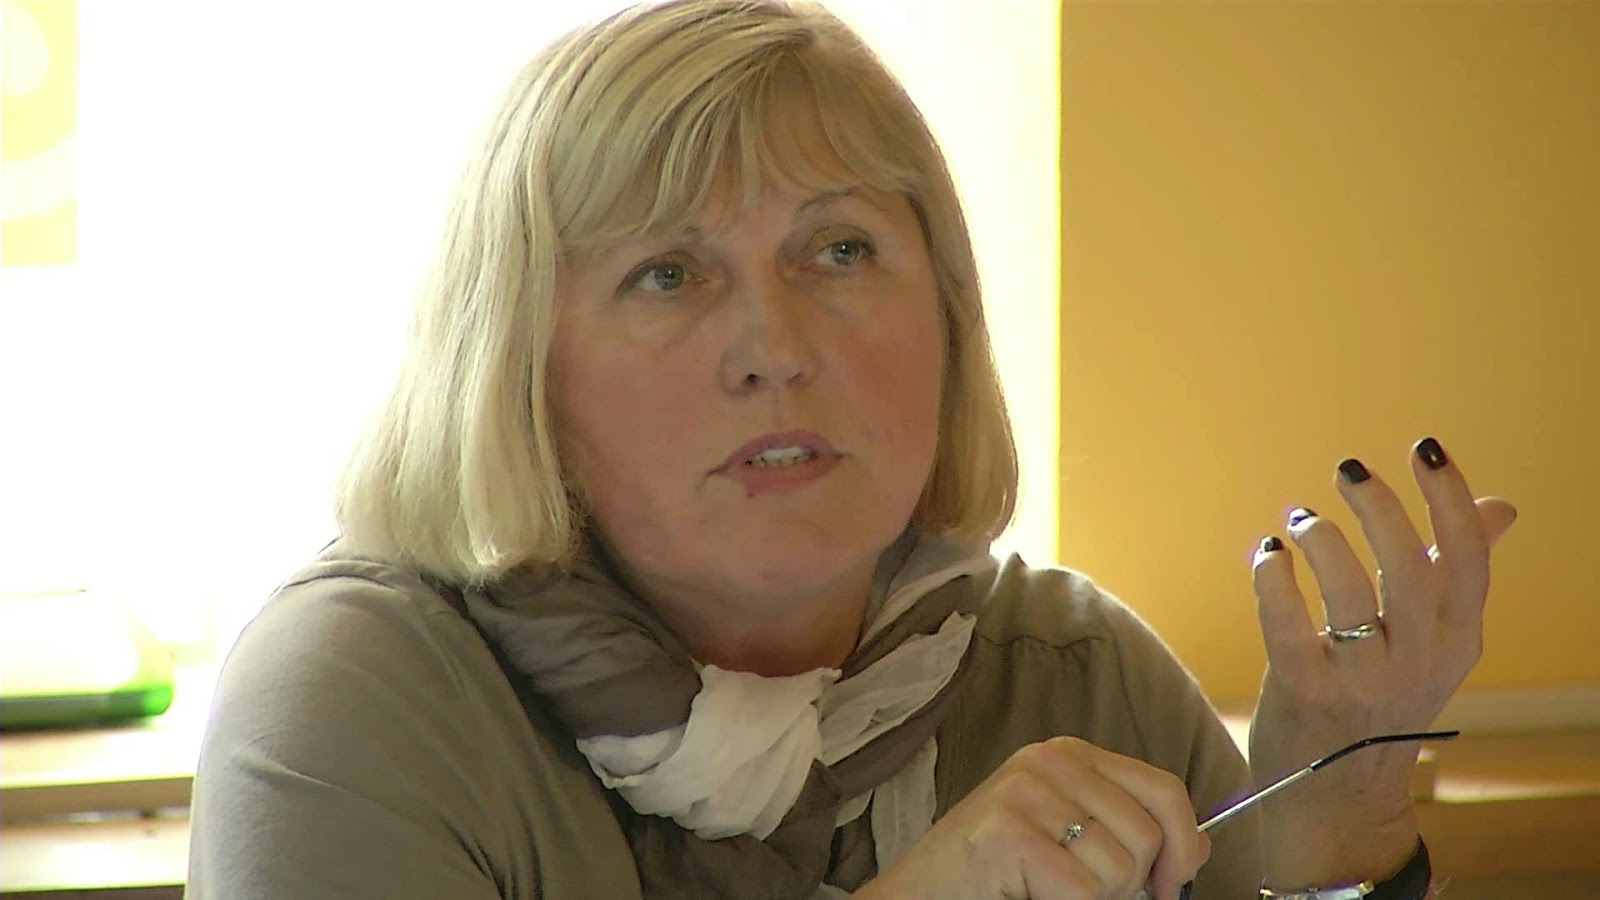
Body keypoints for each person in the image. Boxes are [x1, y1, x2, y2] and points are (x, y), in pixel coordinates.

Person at [186, 1, 1518, 898]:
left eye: (839, 250)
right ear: (516, 372)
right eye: (668, 274)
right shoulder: (363, 695)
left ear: (947, 320)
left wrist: (1334, 822)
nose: (775, 346)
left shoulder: (1074, 673)